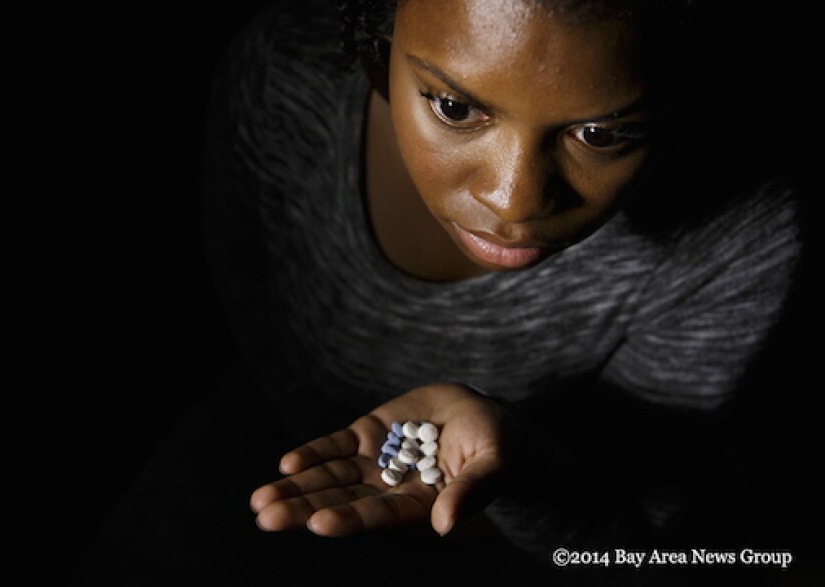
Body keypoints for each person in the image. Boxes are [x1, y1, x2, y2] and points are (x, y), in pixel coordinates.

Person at [72, 0, 817, 585]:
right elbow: (243, 285)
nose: (515, 199)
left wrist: (521, 470)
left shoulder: (738, 235)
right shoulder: (284, 78)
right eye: (455, 108)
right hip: (249, 470)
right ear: (376, 44)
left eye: (601, 134)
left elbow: (638, 546)